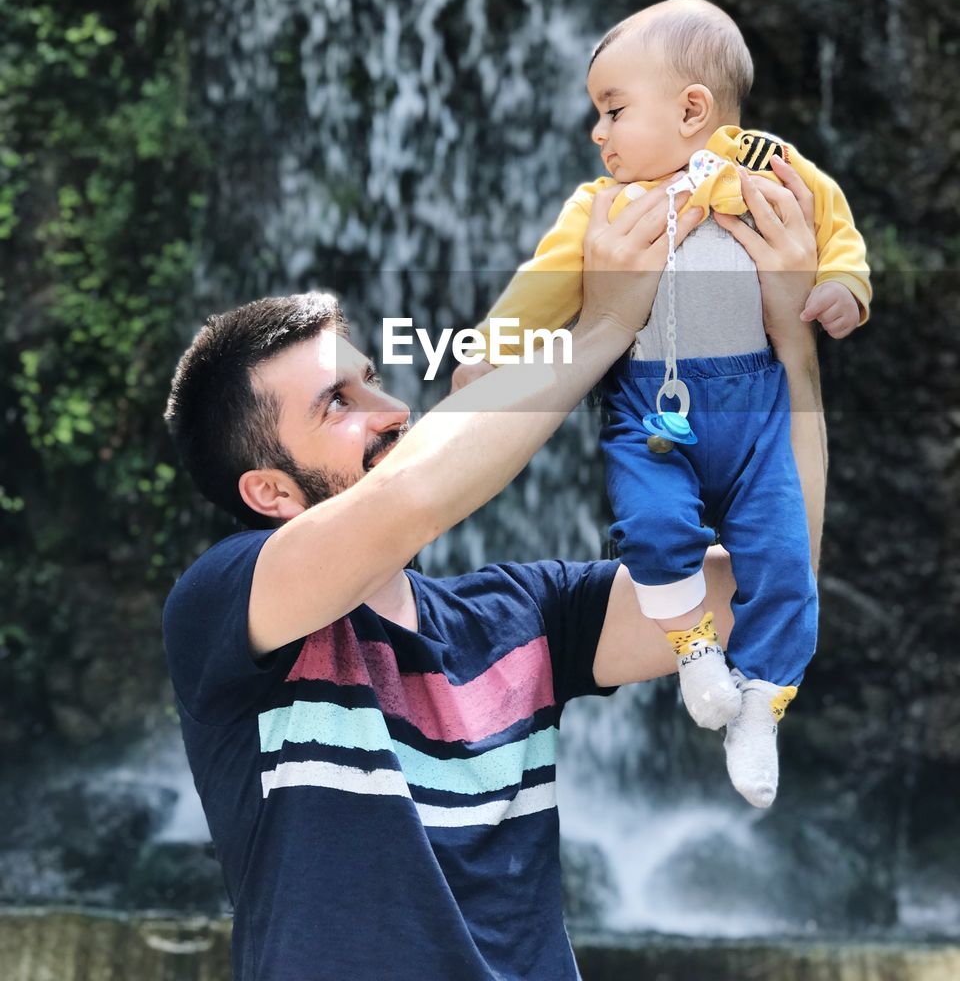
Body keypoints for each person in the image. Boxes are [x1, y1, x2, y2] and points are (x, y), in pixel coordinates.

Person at [162, 170, 825, 981]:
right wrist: (608, 322)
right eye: (337, 404)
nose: (392, 408)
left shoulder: (528, 614)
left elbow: (777, 577)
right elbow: (412, 499)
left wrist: (790, 350)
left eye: (373, 377)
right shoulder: (224, 604)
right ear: (270, 491)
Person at [453, 0, 869, 808]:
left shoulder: (773, 167)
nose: (597, 134)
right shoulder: (598, 209)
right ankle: (694, 652)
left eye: (612, 111)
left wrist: (845, 285)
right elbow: (541, 288)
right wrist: (490, 350)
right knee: (649, 527)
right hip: (653, 409)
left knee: (782, 561)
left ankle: (761, 707)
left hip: (757, 406)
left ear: (690, 110)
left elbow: (836, 224)